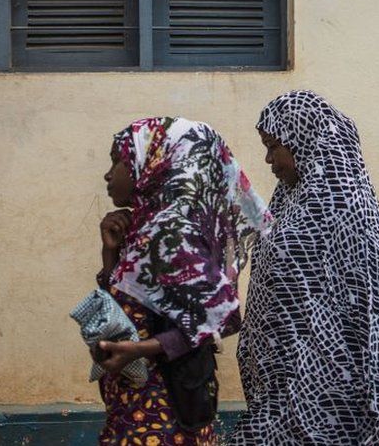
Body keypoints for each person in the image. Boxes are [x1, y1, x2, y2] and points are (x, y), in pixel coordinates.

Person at [231, 91, 379, 445]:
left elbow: (375, 308)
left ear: (303, 140)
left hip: (330, 394)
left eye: (274, 146)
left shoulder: (348, 208)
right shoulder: (288, 198)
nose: (268, 159)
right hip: (279, 387)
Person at [94, 117, 271, 446]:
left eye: (117, 159)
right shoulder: (143, 225)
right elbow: (123, 309)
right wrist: (111, 253)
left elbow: (221, 316)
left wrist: (138, 350)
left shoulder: (172, 231)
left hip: (162, 411)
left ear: (153, 163)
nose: (108, 173)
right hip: (133, 403)